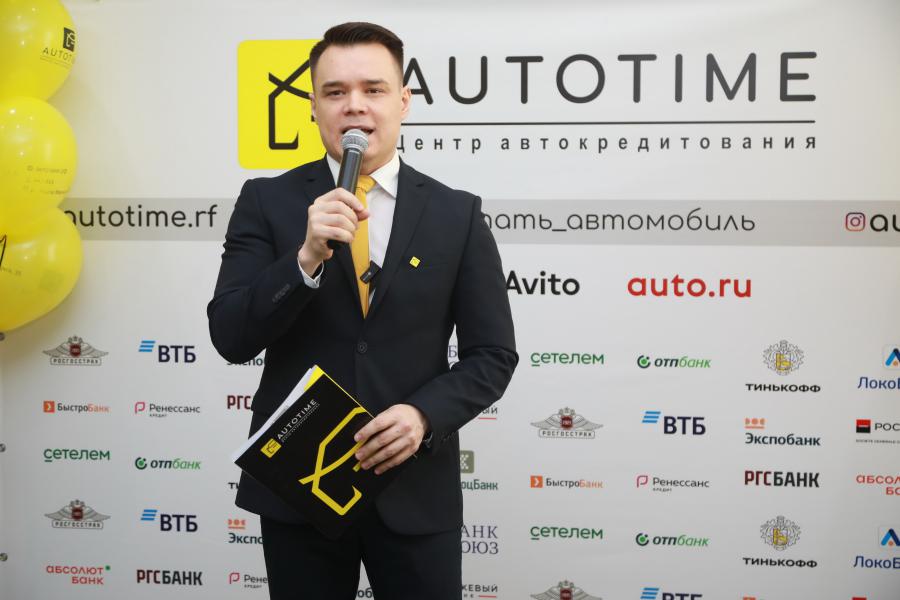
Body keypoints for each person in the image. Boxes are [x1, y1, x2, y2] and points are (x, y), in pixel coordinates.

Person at [207, 22, 517, 600]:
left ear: (403, 101)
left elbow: (493, 355)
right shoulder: (267, 202)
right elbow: (230, 335)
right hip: (300, 483)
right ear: (313, 106)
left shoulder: (456, 213)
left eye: (374, 89)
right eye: (335, 92)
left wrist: (422, 417)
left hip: (415, 490)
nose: (355, 106)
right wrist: (303, 259)